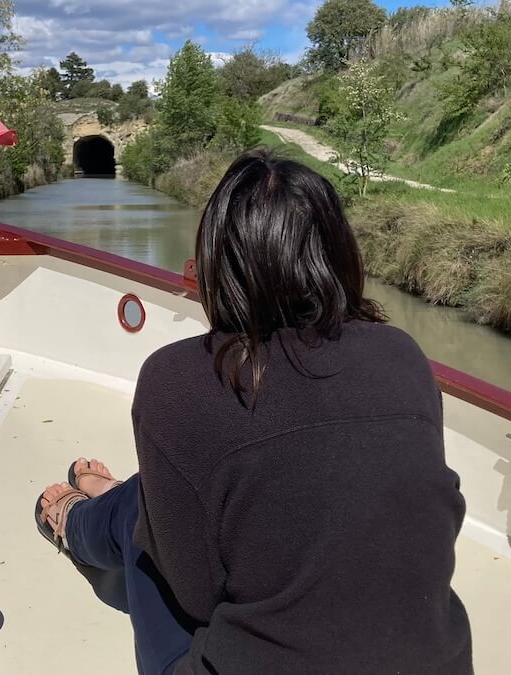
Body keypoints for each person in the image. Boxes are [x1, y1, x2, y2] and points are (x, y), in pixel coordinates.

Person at [36, 149, 473, 674]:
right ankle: (100, 506)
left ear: (216, 262)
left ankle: (78, 522)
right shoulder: (403, 356)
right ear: (337, 254)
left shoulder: (177, 382)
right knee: (171, 493)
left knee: (145, 518)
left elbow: (195, 594)